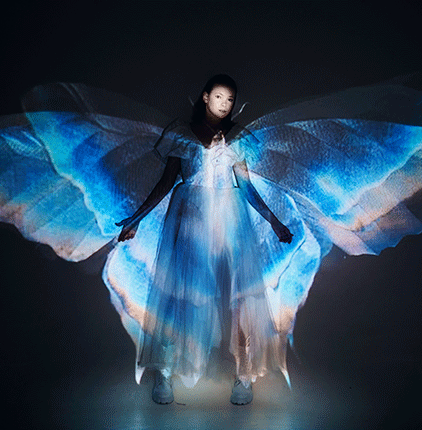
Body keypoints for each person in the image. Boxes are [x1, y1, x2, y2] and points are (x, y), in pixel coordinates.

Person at [116, 74, 293, 405]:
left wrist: (275, 222)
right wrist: (136, 218)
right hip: (191, 219)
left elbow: (246, 187)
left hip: (230, 220)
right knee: (179, 294)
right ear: (205, 97)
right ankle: (165, 372)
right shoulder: (182, 134)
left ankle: (243, 375)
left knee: (237, 296)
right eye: (219, 97)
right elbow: (166, 182)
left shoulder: (236, 138)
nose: (225, 105)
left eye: (230, 100)